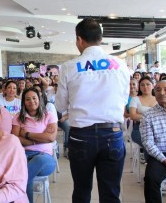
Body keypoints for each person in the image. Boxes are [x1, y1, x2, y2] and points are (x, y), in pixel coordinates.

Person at [55, 18, 129, 203]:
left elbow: (60, 106)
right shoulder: (120, 65)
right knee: (111, 193)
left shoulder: (69, 67)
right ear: (101, 38)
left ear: (79, 40)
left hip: (81, 135)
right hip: (112, 133)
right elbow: (123, 98)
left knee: (81, 191)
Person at [12, 88, 57, 202]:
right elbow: (15, 139)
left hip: (45, 158)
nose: (31, 101)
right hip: (24, 155)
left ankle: (15, 189)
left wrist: (27, 134)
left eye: (34, 98)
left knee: (36, 162)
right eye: (27, 99)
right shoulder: (18, 117)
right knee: (27, 172)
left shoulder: (49, 115)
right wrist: (39, 139)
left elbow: (50, 137)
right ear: (23, 102)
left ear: (39, 99)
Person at [140, 80, 166, 203]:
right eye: (158, 90)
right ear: (154, 94)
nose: (162, 93)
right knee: (151, 179)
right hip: (159, 157)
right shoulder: (148, 115)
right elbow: (148, 143)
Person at [129, 76, 157, 163]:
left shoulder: (158, 98)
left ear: (153, 85)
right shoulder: (135, 99)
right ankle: (151, 166)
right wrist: (153, 117)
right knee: (148, 144)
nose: (145, 87)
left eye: (148, 84)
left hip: (156, 128)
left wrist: (141, 116)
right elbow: (133, 115)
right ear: (139, 87)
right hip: (139, 129)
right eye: (142, 85)